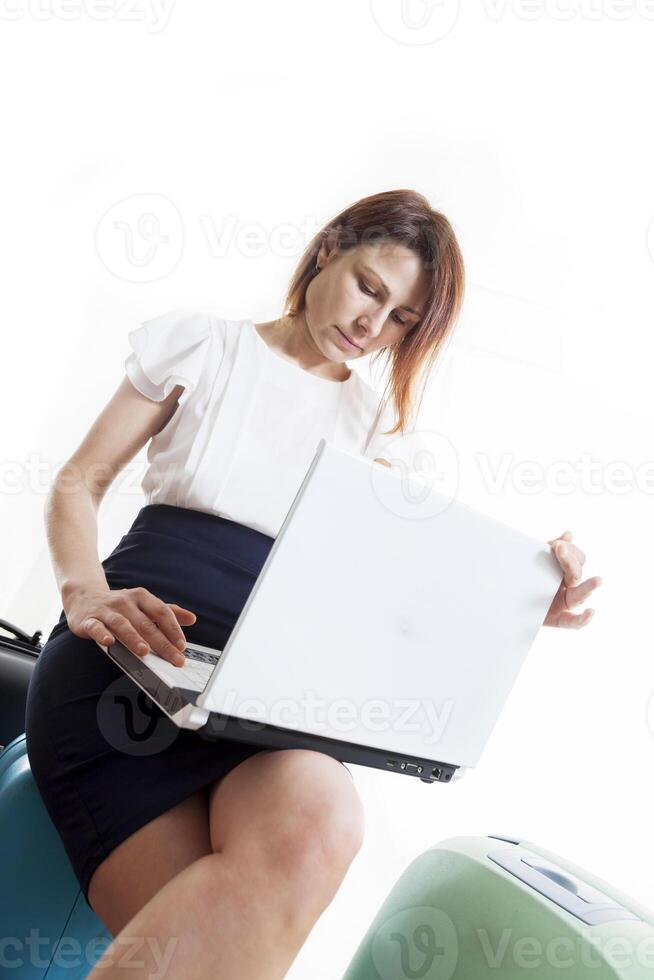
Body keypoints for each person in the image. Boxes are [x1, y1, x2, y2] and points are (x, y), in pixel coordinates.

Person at [25, 189, 602, 980]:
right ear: (329, 247)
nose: (373, 326)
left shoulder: (373, 435)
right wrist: (84, 594)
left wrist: (532, 599)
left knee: (327, 816)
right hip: (131, 663)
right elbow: (77, 483)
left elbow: (413, 596)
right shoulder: (202, 347)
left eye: (401, 318)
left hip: (263, 703)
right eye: (371, 287)